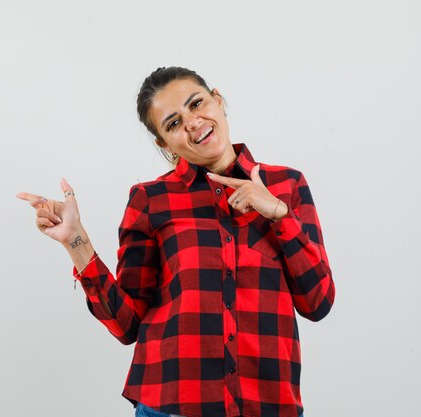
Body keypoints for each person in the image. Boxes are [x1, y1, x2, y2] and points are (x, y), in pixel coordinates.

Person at [17, 67, 335, 417]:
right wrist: (76, 241)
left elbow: (317, 303)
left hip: (270, 406)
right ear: (164, 144)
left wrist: (278, 214)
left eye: (197, 103)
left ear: (218, 99)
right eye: (173, 123)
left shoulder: (286, 185)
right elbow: (127, 325)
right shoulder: (150, 200)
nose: (193, 122)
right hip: (172, 408)